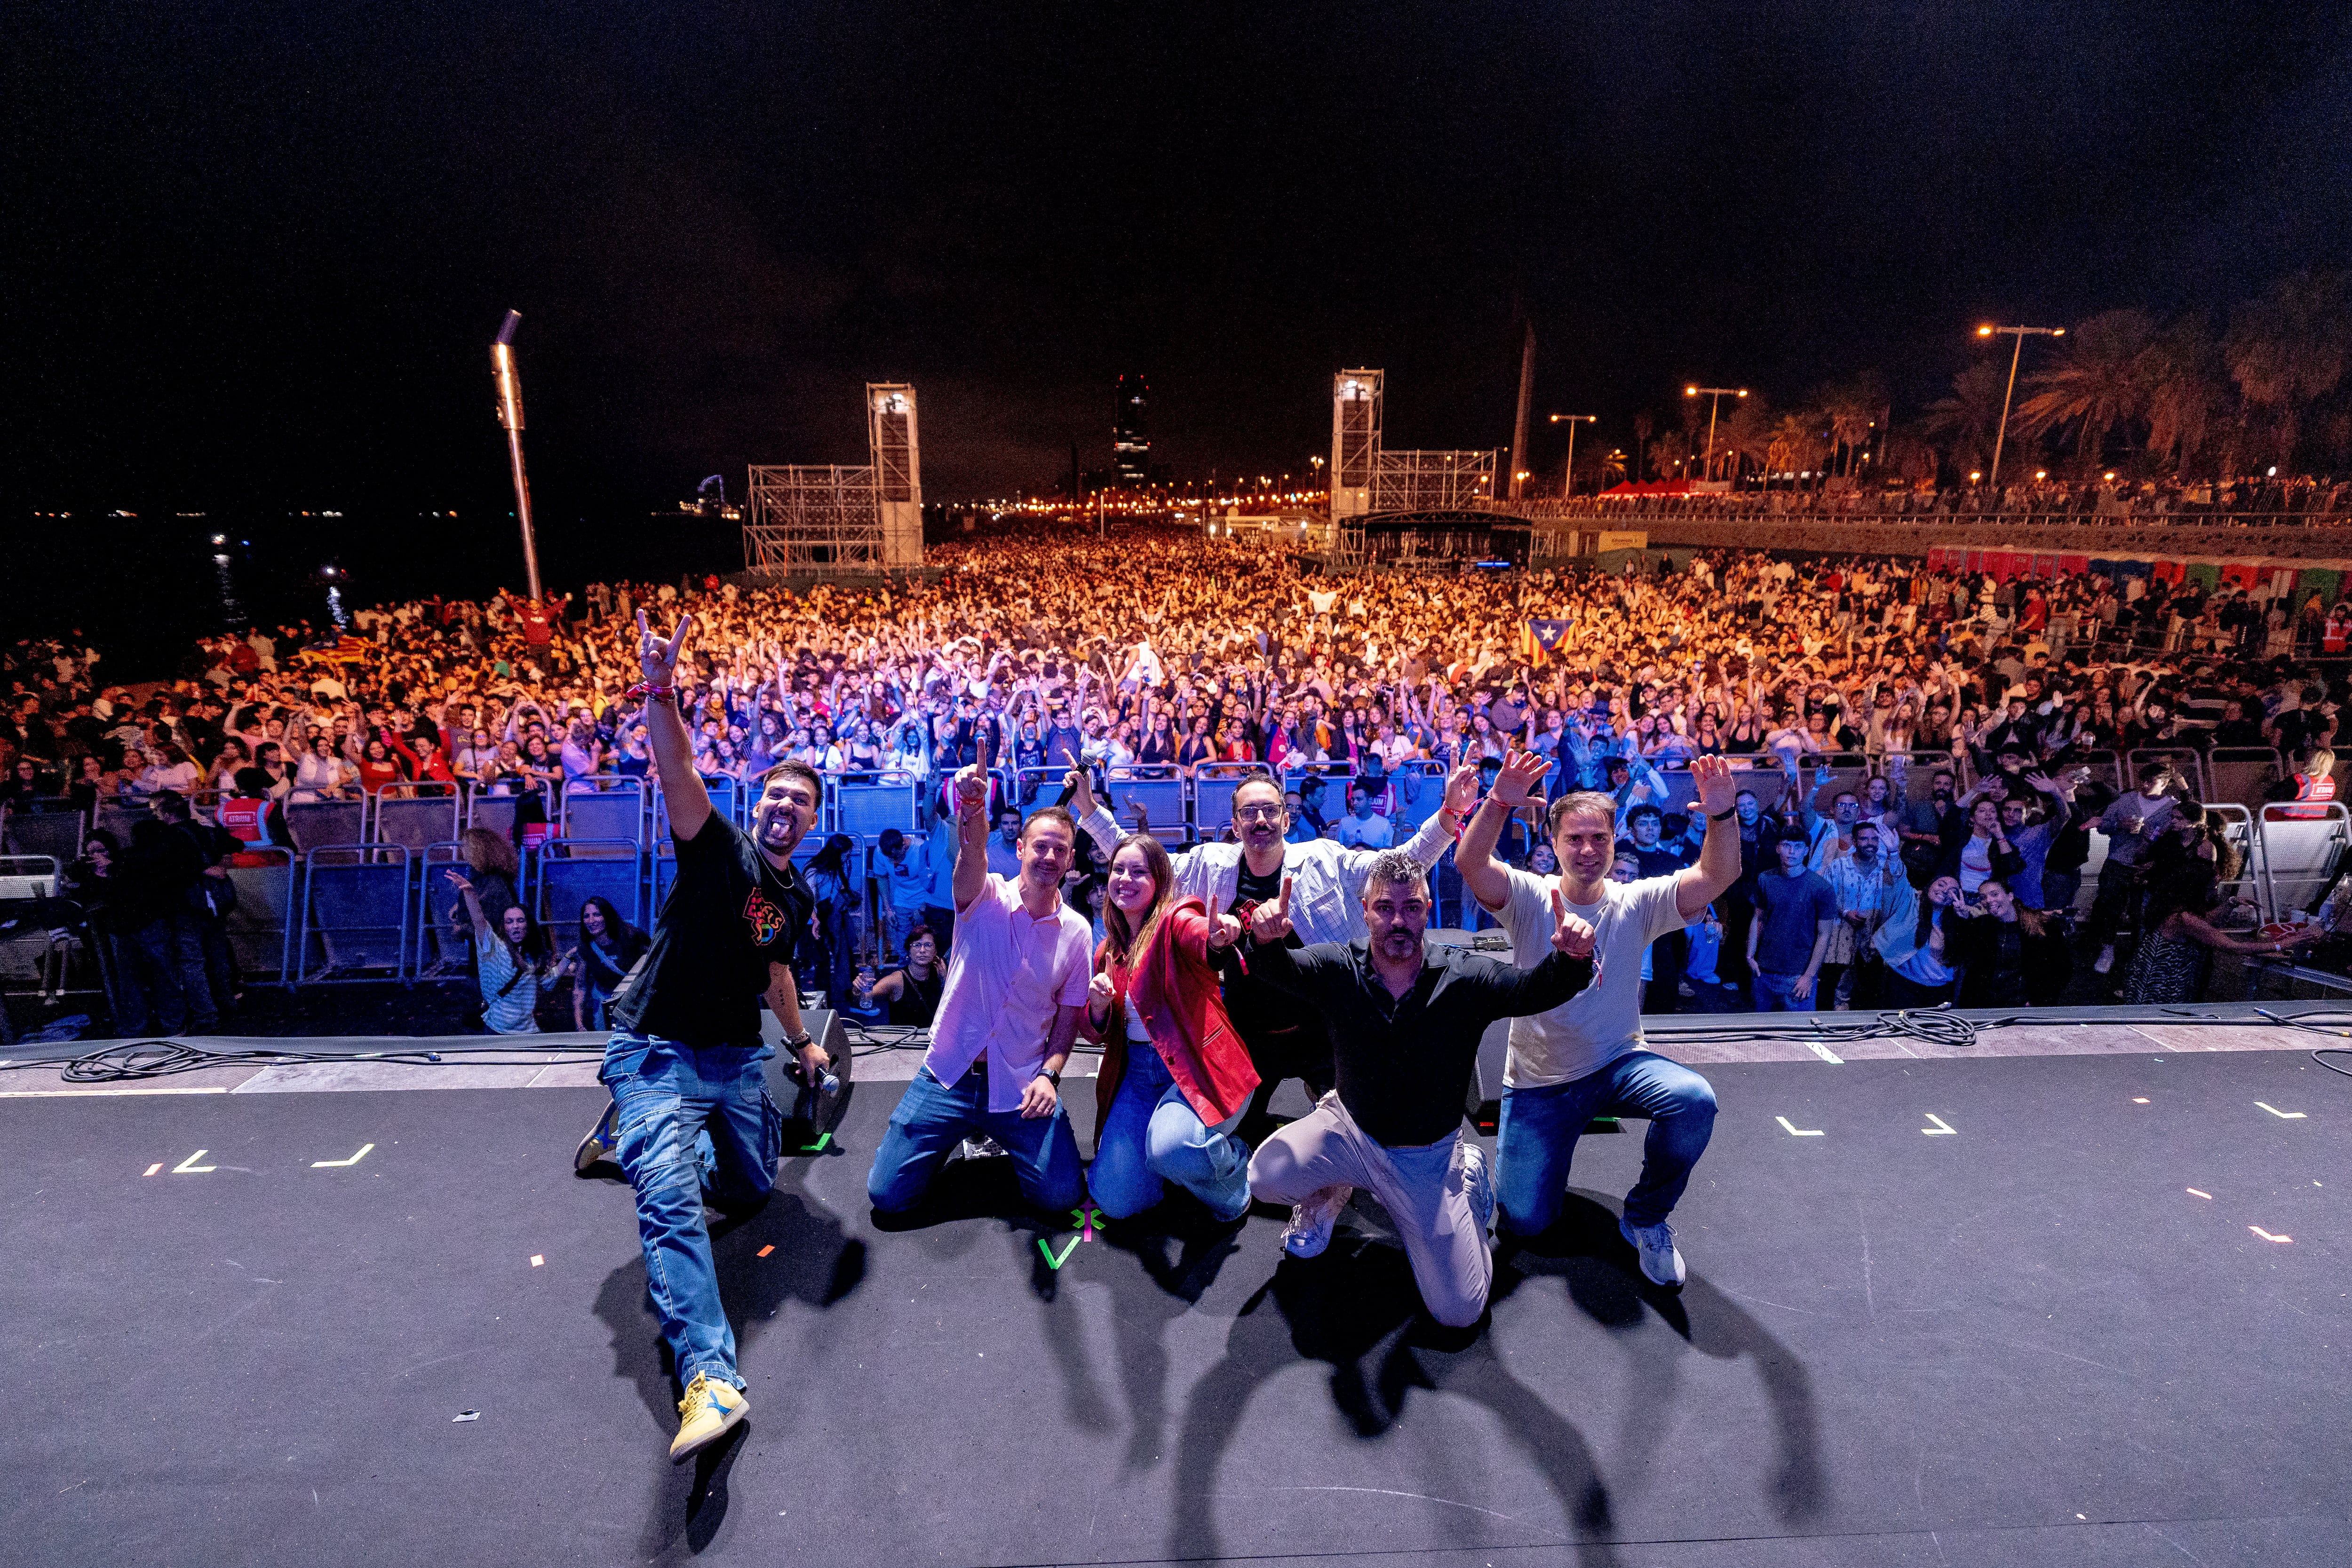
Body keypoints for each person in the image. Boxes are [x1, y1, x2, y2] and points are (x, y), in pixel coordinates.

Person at [572, 612, 833, 1464]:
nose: (786, 806)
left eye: (802, 799)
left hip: (733, 1056)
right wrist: (659, 690)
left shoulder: (792, 900)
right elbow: (678, 769)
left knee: (753, 1189)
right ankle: (711, 1376)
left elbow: (777, 974)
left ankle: (631, 1142)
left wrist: (803, 1046)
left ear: (816, 821)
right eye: (776, 794)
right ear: (758, 803)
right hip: (658, 1045)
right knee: (676, 1197)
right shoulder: (719, 848)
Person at [1239, 853, 1597, 1327]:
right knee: (1264, 1176)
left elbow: (1533, 989)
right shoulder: (1338, 967)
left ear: (1427, 908)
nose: (1397, 920)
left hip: (1425, 1157)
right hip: (1348, 1128)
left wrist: (1571, 960)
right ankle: (1329, 1196)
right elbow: (1277, 969)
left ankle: (1466, 1178)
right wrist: (1263, 939)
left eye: (1411, 907)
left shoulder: (1467, 975)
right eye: (1385, 907)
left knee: (1459, 1311)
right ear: (1364, 908)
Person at [1454, 750, 1740, 1287]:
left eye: (1599, 839)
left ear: (1614, 843)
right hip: (1540, 1081)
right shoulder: (1528, 895)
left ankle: (1646, 1217)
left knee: (1695, 1099)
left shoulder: (1638, 901)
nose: (1587, 850)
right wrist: (1496, 804)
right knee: (1524, 1223)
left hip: (1617, 1063)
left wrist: (1722, 815)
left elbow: (1717, 874)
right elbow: (1470, 865)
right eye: (1574, 839)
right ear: (1555, 844)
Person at [1068, 764, 1470, 1145]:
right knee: (1234, 1141)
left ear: (1286, 819)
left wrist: (1449, 813)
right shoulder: (1211, 864)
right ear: (1236, 823)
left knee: (1361, 1137)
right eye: (1249, 812)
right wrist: (1089, 810)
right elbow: (1143, 865)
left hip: (1323, 1028)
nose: (1260, 820)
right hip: (1248, 1034)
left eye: (1270, 810)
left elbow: (1403, 864)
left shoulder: (1326, 861)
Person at [865, 753, 1089, 1220]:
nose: (1048, 856)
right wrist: (972, 808)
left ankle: (996, 1137)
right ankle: (959, 1132)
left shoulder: (1077, 932)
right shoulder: (981, 894)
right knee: (887, 1196)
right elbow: (972, 854)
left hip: (1020, 1083)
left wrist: (1049, 1074)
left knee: (1061, 1197)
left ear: (1071, 858)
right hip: (948, 1075)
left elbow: (1068, 1018)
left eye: (1060, 850)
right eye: (1040, 846)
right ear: (1022, 848)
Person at [1080, 833, 1259, 1223]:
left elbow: (1201, 939)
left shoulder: (1175, 920)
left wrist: (1216, 938)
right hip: (1139, 1078)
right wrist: (1097, 1006)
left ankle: (1235, 1168)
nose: (1125, 879)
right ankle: (1183, 1164)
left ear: (1160, 881)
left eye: (1139, 872)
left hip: (1199, 1069)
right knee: (1115, 1201)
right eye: (1118, 869)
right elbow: (1097, 1033)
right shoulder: (1107, 951)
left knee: (1173, 1149)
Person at [2121, 865, 2322, 1004]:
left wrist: (2231, 903)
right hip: (2162, 989)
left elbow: (2205, 921)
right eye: (2213, 887)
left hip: (2150, 984)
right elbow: (2235, 948)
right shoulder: (2184, 919)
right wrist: (2291, 941)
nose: (2214, 891)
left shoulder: (2173, 910)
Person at [448, 867, 552, 1033]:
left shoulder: (533, 955)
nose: (515, 926)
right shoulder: (494, 947)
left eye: (520, 921)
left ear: (528, 924)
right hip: (498, 1030)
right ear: (504, 926)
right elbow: (479, 921)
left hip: (528, 1032)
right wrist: (470, 894)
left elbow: (549, 981)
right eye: (510, 922)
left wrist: (569, 956)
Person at [570, 895, 650, 1031]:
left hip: (635, 999)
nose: (591, 921)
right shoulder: (586, 947)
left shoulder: (631, 936)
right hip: (605, 999)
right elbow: (580, 987)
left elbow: (654, 957)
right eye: (587, 916)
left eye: (597, 915)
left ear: (607, 916)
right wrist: (579, 1025)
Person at [856, 923, 946, 1025]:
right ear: (909, 951)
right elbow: (866, 996)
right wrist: (859, 988)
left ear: (935, 952)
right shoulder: (897, 980)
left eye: (928, 945)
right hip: (904, 1039)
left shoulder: (940, 973)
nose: (922, 950)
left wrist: (945, 979)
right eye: (917, 945)